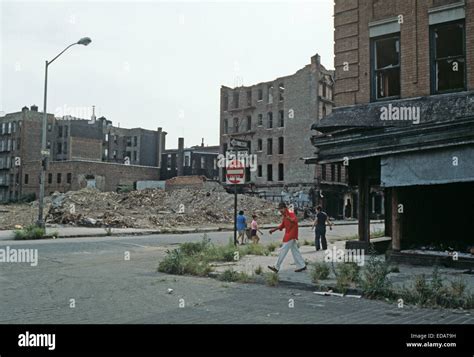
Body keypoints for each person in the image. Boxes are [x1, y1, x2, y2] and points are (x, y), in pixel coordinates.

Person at [267, 202, 306, 273]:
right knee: (295, 251)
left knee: (283, 250)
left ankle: (276, 267)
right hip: (289, 235)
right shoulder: (285, 216)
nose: (280, 211)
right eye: (279, 210)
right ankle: (302, 265)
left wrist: (289, 218)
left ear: (284, 208)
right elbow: (282, 225)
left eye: (281, 209)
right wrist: (274, 230)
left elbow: (295, 220)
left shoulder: (290, 213)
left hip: (290, 235)